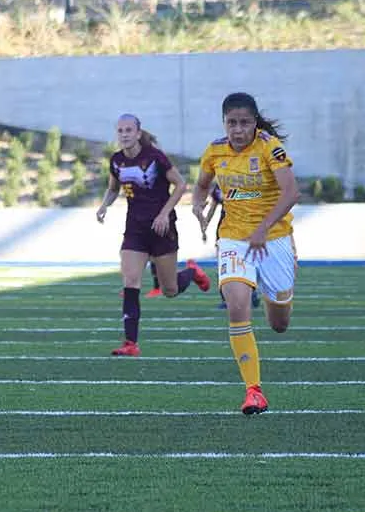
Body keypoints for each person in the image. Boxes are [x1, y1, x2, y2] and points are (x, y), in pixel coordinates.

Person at [192, 92, 300, 415]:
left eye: (244, 123)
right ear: (223, 123)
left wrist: (264, 228)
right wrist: (197, 204)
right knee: (236, 305)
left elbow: (292, 192)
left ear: (255, 123)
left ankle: (279, 295)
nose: (237, 130)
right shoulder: (214, 151)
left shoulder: (269, 148)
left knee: (279, 322)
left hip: (274, 238)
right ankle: (254, 391)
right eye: (231, 123)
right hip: (234, 238)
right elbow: (201, 184)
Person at [96, 113, 210, 357]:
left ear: (138, 133)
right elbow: (113, 188)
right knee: (130, 282)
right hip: (135, 231)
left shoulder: (155, 157)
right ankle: (130, 343)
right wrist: (104, 204)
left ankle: (191, 272)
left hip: (162, 229)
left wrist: (163, 214)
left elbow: (180, 185)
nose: (124, 134)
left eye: (129, 130)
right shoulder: (116, 161)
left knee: (170, 290)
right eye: (120, 131)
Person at [200, 182, 260, 310]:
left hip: (244, 227)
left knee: (248, 262)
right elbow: (213, 207)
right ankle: (226, 299)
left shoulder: (244, 181)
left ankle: (252, 293)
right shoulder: (218, 186)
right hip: (224, 229)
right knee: (224, 265)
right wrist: (204, 226)